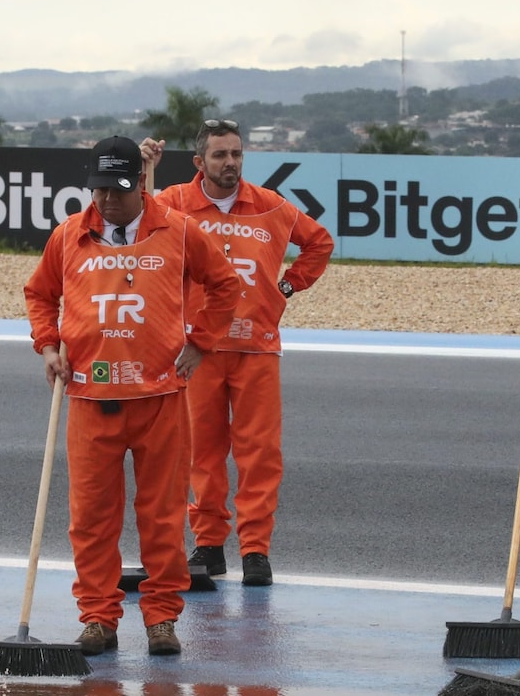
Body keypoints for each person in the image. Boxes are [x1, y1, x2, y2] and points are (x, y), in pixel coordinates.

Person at [23, 136, 244, 657]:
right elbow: (40, 294)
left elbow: (226, 286)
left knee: (162, 515)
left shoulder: (180, 231)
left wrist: (200, 342)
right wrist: (48, 346)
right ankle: (99, 618)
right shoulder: (69, 236)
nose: (105, 200)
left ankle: (161, 619)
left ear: (140, 184)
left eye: (117, 190)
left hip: (160, 398)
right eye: (98, 189)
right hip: (89, 398)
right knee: (91, 519)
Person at [146, 122, 334, 587]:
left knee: (260, 454)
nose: (230, 162)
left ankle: (255, 551)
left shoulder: (270, 205)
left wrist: (285, 287)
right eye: (219, 155)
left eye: (236, 153)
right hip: (197, 349)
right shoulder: (176, 203)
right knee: (201, 453)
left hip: (257, 348)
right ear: (199, 163)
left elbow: (320, 242)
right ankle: (208, 546)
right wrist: (145, 168)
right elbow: (139, 224)